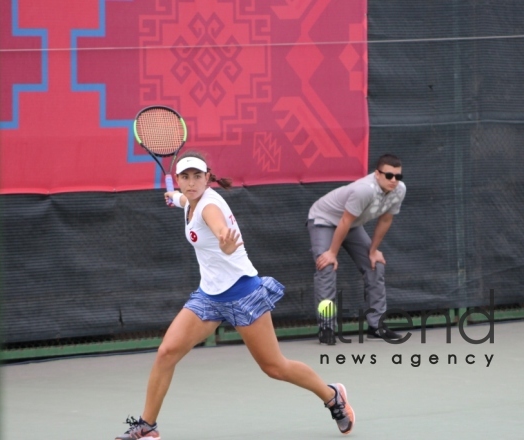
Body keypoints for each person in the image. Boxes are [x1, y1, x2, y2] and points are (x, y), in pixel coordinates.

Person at [115, 151, 355, 439]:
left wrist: (225, 243)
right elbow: (181, 200)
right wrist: (174, 197)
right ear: (177, 180)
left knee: (274, 367)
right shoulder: (188, 201)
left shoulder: (208, 207)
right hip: (209, 297)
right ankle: (148, 425)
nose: (191, 183)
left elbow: (218, 227)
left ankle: (332, 395)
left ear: (207, 178)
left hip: (243, 295)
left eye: (197, 176)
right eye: (185, 177)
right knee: (166, 352)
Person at [308, 153, 406, 345]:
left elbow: (386, 219)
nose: (394, 180)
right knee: (326, 267)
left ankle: (376, 326)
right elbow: (344, 221)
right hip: (324, 220)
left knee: (375, 265)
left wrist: (373, 251)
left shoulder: (399, 190)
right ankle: (326, 327)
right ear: (377, 174)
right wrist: (332, 253)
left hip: (351, 225)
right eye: (389, 175)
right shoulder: (364, 190)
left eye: (398, 176)